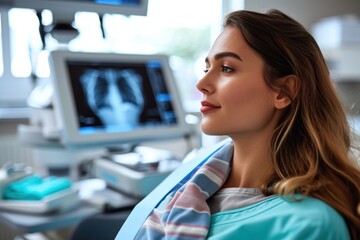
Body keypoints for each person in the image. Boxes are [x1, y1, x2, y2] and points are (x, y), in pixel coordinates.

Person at [117, 9, 360, 239]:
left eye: (226, 68)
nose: (202, 83)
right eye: (206, 67)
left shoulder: (310, 224)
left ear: (284, 91)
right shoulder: (193, 175)